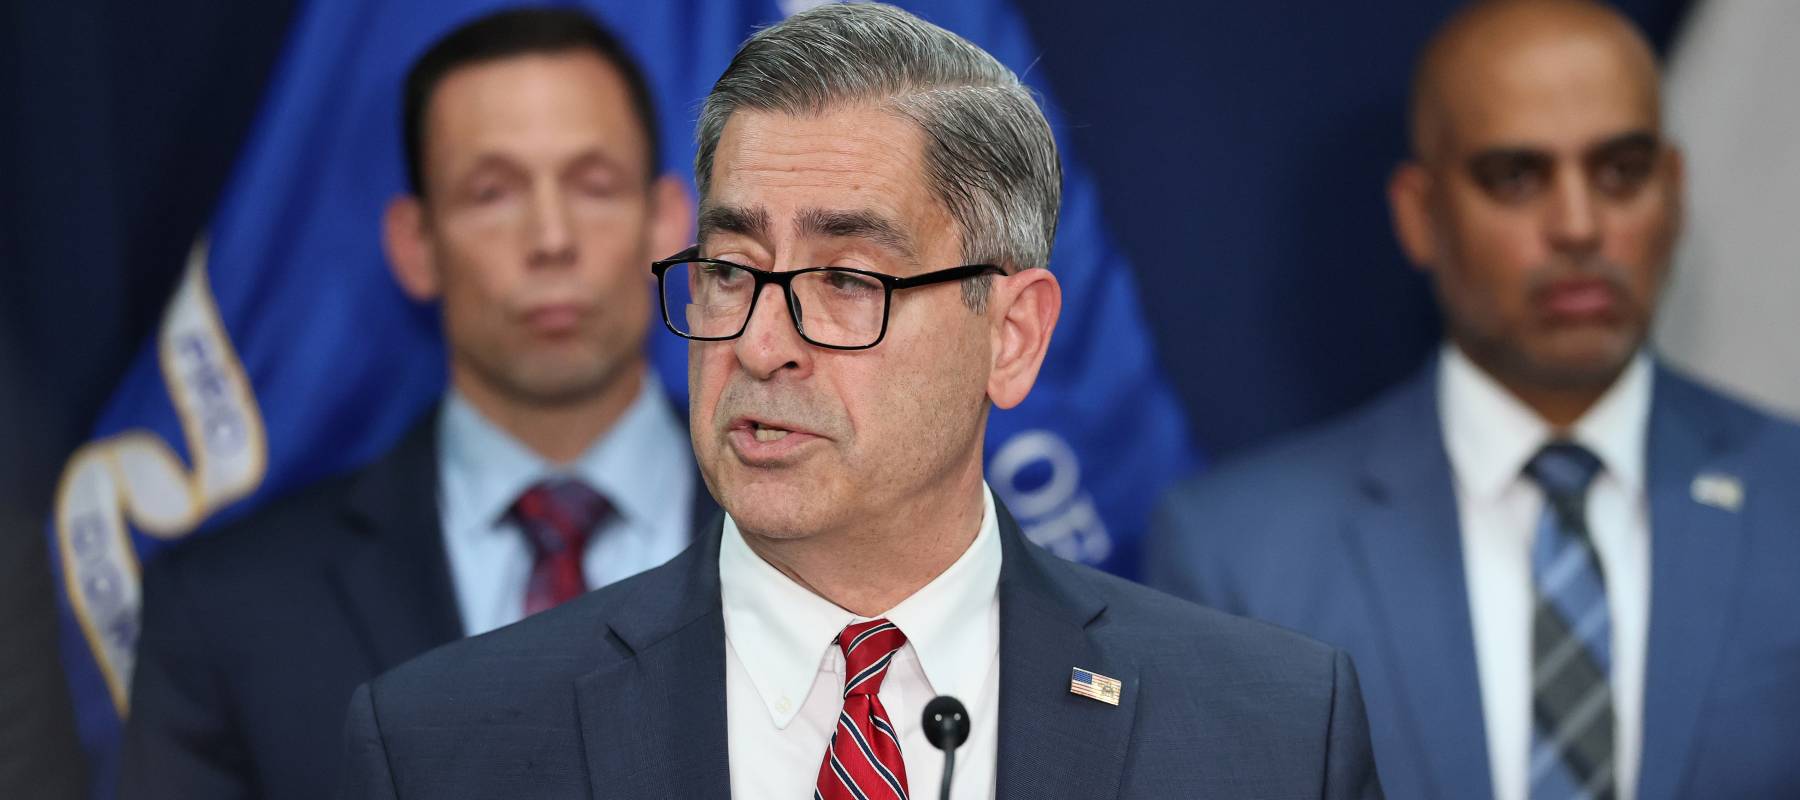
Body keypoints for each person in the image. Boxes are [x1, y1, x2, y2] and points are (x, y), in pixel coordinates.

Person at [337, 5, 1381, 799]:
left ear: (1011, 336)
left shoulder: (1269, 734)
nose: (759, 344)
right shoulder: (443, 744)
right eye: (731, 270)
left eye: (846, 279)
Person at [1146, 1, 1800, 799]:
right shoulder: (1239, 559)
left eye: (1621, 172)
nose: (1578, 226)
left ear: (1674, 191)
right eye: (1516, 177)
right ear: (1420, 214)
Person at [121, 9, 712, 800]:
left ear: (668, 222)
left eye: (593, 185)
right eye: (492, 192)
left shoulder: (822, 548)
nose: (551, 237)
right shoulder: (227, 613)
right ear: (416, 244)